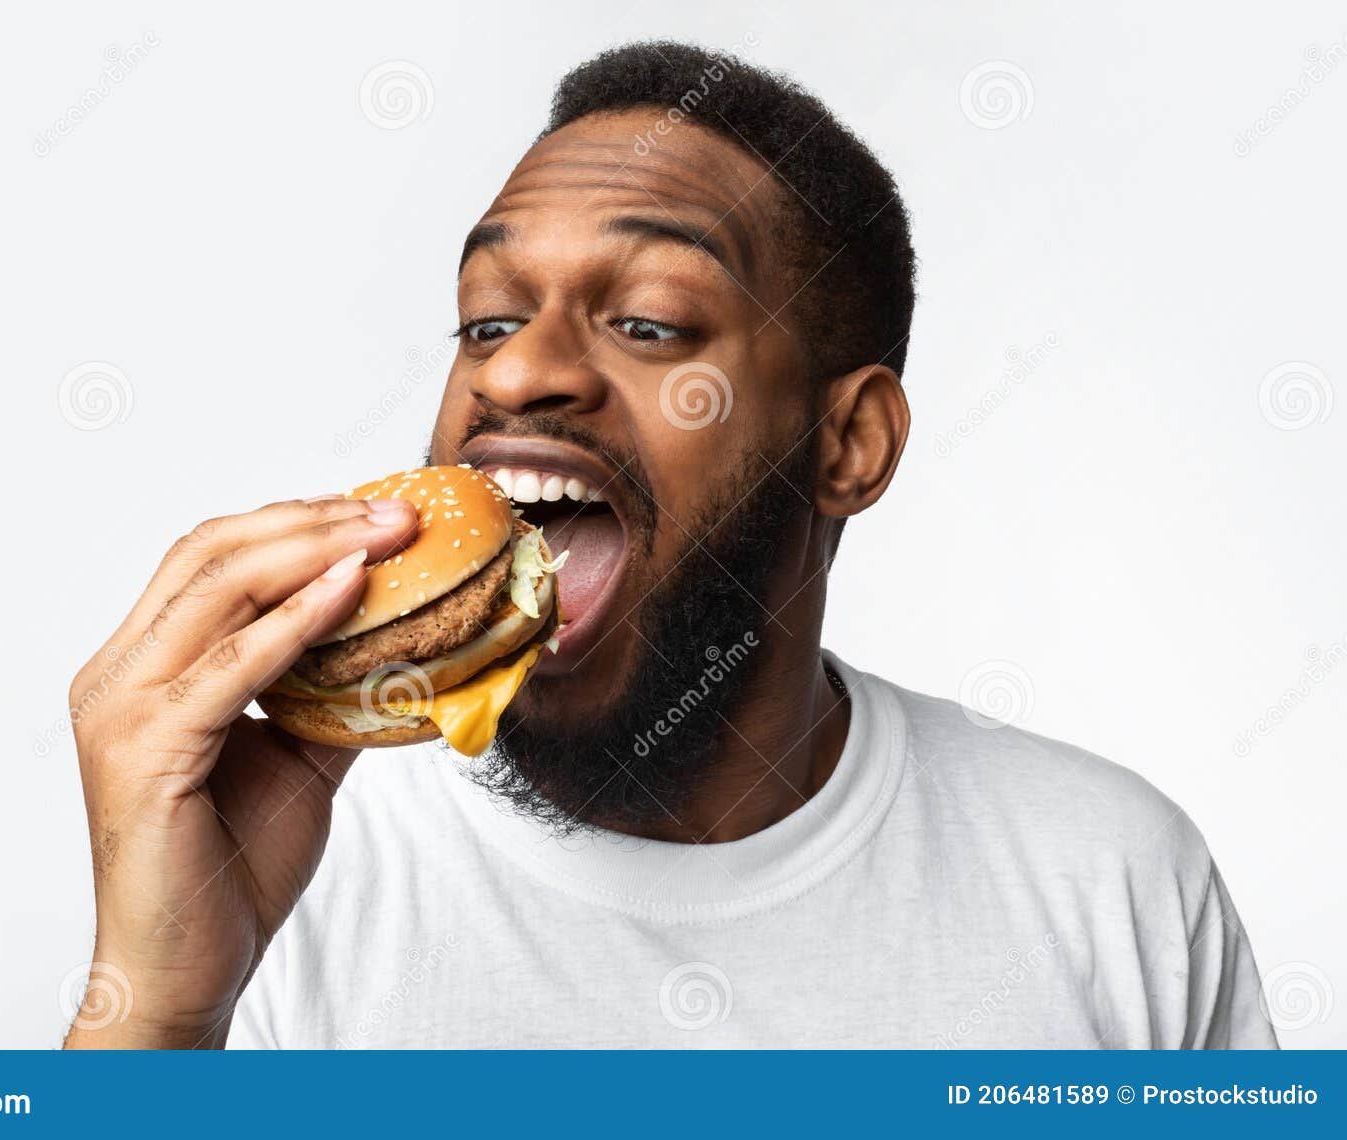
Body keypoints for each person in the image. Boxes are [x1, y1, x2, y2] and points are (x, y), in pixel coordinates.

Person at [63, 42, 1276, 1048]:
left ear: (848, 442)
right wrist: (158, 1010)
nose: (521, 370)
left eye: (648, 322)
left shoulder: (1107, 881)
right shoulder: (270, 874)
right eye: (485, 320)